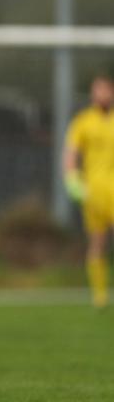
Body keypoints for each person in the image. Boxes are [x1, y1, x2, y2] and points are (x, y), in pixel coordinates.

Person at [63, 75, 114, 308]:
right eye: (98, 90)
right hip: (93, 192)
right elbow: (71, 153)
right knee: (97, 242)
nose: (103, 95)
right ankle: (100, 295)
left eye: (106, 90)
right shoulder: (83, 121)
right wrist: (72, 178)